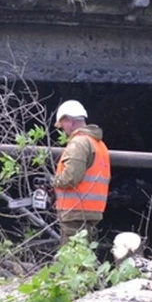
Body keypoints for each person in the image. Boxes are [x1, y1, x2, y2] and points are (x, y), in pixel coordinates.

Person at [52, 99, 110, 248]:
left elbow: (70, 178)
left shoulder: (79, 143)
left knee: (71, 257)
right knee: (83, 253)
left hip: (75, 211)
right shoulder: (99, 144)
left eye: (62, 124)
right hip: (92, 210)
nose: (62, 129)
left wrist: (54, 182)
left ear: (70, 122)